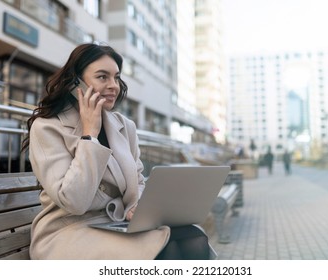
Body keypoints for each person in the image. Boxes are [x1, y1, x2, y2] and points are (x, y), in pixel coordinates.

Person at [22, 43, 210, 260]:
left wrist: (138, 205)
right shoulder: (48, 127)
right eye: (103, 77)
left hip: (116, 224)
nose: (114, 85)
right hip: (68, 232)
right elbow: (74, 201)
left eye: (116, 77)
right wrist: (90, 136)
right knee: (165, 251)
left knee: (193, 237)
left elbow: (138, 180)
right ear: (76, 82)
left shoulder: (124, 126)